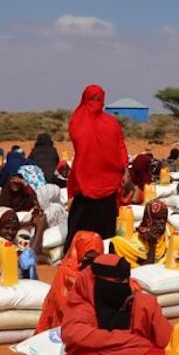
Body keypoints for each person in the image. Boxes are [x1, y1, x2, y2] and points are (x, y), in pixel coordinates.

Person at [67, 84, 129, 244]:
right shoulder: (110, 122)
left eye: (98, 99)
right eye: (93, 99)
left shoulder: (77, 120)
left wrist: (124, 170)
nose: (96, 103)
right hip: (102, 178)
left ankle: (79, 251)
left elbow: (119, 145)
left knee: (81, 220)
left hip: (88, 176)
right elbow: (121, 146)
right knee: (103, 220)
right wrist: (125, 170)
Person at [37, 231, 105, 333]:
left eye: (96, 258)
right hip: (63, 328)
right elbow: (63, 307)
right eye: (88, 257)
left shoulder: (103, 274)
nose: (92, 263)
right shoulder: (66, 274)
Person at [111, 200, 170, 266]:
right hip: (140, 262)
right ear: (149, 219)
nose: (162, 222)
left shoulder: (168, 233)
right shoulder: (136, 241)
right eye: (158, 218)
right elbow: (149, 265)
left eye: (164, 218)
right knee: (115, 242)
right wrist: (152, 244)